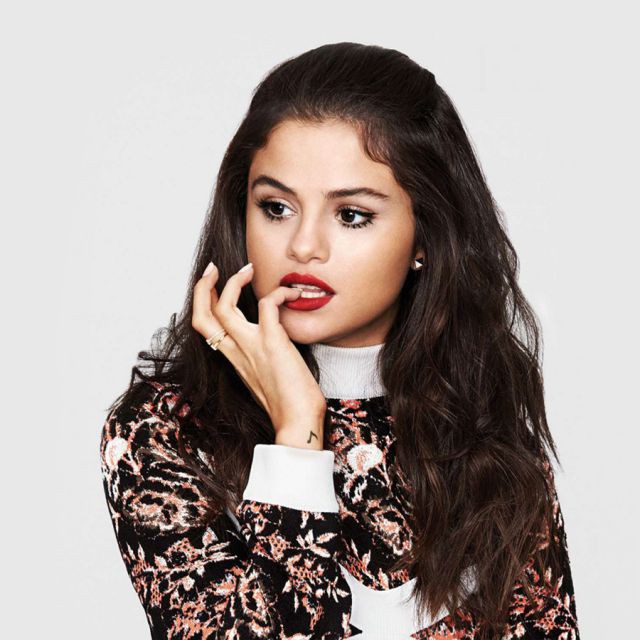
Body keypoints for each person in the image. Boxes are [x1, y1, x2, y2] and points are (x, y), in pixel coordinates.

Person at [99, 42, 580, 639]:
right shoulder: (164, 432)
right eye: (276, 207)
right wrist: (298, 435)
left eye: (351, 215)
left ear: (425, 237)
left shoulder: (483, 434)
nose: (303, 246)